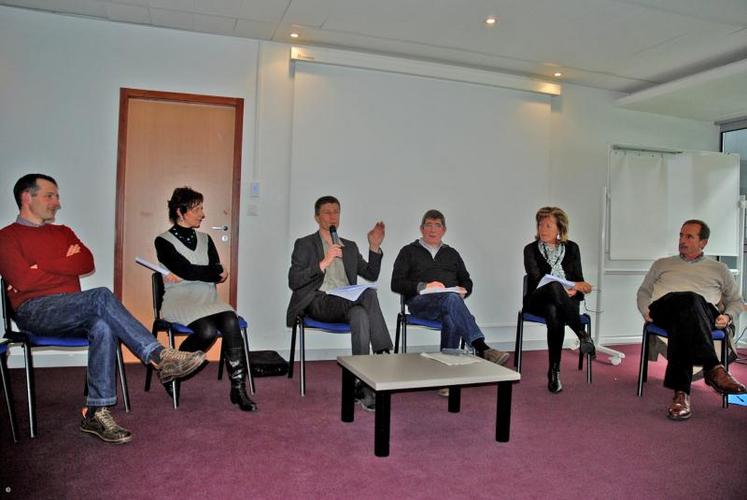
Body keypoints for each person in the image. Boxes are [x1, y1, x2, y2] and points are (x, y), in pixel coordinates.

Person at [0, 174, 206, 444]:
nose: (57, 202)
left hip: (74, 310)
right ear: (27, 197)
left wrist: (41, 265)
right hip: (34, 311)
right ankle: (158, 356)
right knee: (100, 296)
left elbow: (85, 262)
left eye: (57, 196)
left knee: (103, 324)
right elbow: (23, 280)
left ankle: (96, 410)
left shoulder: (63, 232)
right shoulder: (6, 237)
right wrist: (62, 261)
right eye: (50, 196)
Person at [287, 196, 393, 411]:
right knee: (369, 296)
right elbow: (294, 281)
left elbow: (371, 274)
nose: (332, 215)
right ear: (317, 217)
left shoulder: (350, 247)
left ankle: (361, 382)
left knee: (361, 315)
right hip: (318, 300)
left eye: (336, 211)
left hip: (346, 301)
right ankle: (383, 355)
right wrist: (324, 262)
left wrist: (374, 247)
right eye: (327, 212)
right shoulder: (305, 244)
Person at [155, 187, 256, 411]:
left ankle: (238, 388)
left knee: (231, 318)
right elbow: (189, 270)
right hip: (180, 299)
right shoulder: (162, 241)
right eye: (197, 209)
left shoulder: (206, 238)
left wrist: (207, 272)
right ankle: (172, 370)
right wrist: (210, 272)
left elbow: (213, 269)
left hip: (208, 297)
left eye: (201, 208)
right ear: (181, 212)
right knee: (208, 331)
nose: (203, 213)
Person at [637, 219, 745, 420]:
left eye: (689, 236)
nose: (682, 240)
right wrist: (645, 310)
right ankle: (714, 368)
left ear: (703, 242)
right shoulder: (662, 264)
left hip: (703, 315)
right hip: (664, 310)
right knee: (688, 298)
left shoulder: (720, 269)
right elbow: (644, 291)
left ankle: (681, 393)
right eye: (681, 235)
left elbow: (737, 301)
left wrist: (728, 316)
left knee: (689, 311)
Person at [391, 209, 510, 367]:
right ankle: (482, 348)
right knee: (451, 300)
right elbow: (396, 282)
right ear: (421, 229)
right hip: (420, 304)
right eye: (428, 225)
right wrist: (424, 286)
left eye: (437, 225)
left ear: (444, 230)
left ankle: (447, 373)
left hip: (449, 304)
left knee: (451, 316)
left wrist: (463, 290)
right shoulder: (408, 251)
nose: (433, 229)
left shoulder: (452, 253)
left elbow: (467, 281)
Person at [523, 207, 595, 393]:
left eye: (548, 225)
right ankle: (582, 333)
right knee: (553, 287)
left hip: (563, 303)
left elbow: (579, 279)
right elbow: (536, 278)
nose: (543, 229)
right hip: (536, 299)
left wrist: (574, 290)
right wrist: (568, 287)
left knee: (553, 311)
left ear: (560, 229)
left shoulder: (572, 248)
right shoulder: (530, 250)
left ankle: (554, 372)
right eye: (540, 225)